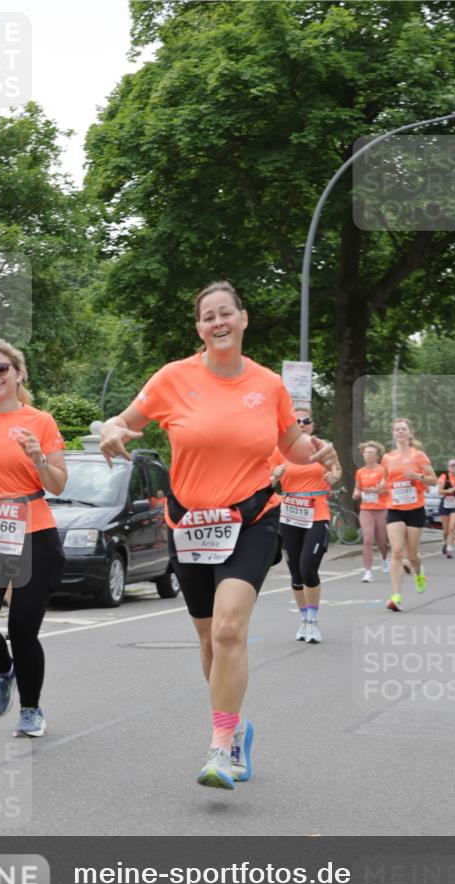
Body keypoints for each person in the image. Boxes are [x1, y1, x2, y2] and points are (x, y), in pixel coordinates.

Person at [99, 281, 336, 790]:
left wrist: (319, 451)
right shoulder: (172, 378)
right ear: (199, 329)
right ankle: (237, 726)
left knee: (229, 629)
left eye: (225, 313)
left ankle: (219, 747)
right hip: (189, 525)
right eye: (208, 317)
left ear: (243, 319)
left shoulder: (268, 385)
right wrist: (112, 430)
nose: (218, 322)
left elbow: (293, 444)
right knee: (208, 639)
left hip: (251, 519)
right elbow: (122, 421)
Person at [0, 339, 67, 737]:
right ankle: (5, 670)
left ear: (19, 374)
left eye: (1, 368)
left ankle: (31, 709)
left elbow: (58, 483)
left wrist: (39, 458)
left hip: (34, 533)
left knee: (23, 630)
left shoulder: (41, 421)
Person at [270, 406, 341, 643]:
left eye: (306, 421)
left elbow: (336, 471)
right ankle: (303, 619)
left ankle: (313, 620)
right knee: (296, 574)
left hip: (316, 512)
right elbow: (267, 483)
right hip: (290, 514)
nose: (301, 424)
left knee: (308, 567)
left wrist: (334, 476)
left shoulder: (323, 447)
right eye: (297, 421)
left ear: (312, 425)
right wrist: (275, 477)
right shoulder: (279, 451)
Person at [381, 417, 437, 612]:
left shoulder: (418, 455)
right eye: (397, 429)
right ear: (393, 434)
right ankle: (396, 596)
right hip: (395, 508)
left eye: (403, 429)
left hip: (415, 509)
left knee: (412, 556)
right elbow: (385, 481)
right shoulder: (387, 458)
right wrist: (379, 487)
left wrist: (418, 477)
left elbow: (433, 480)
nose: (400, 432)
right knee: (397, 551)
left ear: (410, 433)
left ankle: (419, 573)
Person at [352, 440, 389, 583]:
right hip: (366, 509)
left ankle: (385, 558)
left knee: (381, 541)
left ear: (377, 456)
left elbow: (387, 489)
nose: (368, 455)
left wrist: (376, 490)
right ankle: (368, 572)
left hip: (381, 508)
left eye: (371, 453)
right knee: (367, 539)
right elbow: (357, 488)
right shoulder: (360, 472)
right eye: (366, 453)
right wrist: (356, 493)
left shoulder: (382, 470)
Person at [437, 459, 455, 558]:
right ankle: (445, 543)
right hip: (445, 504)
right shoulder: (444, 476)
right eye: (451, 466)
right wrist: (449, 490)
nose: (453, 468)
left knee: (452, 527)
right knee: (446, 531)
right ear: (448, 467)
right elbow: (439, 491)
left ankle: (449, 549)